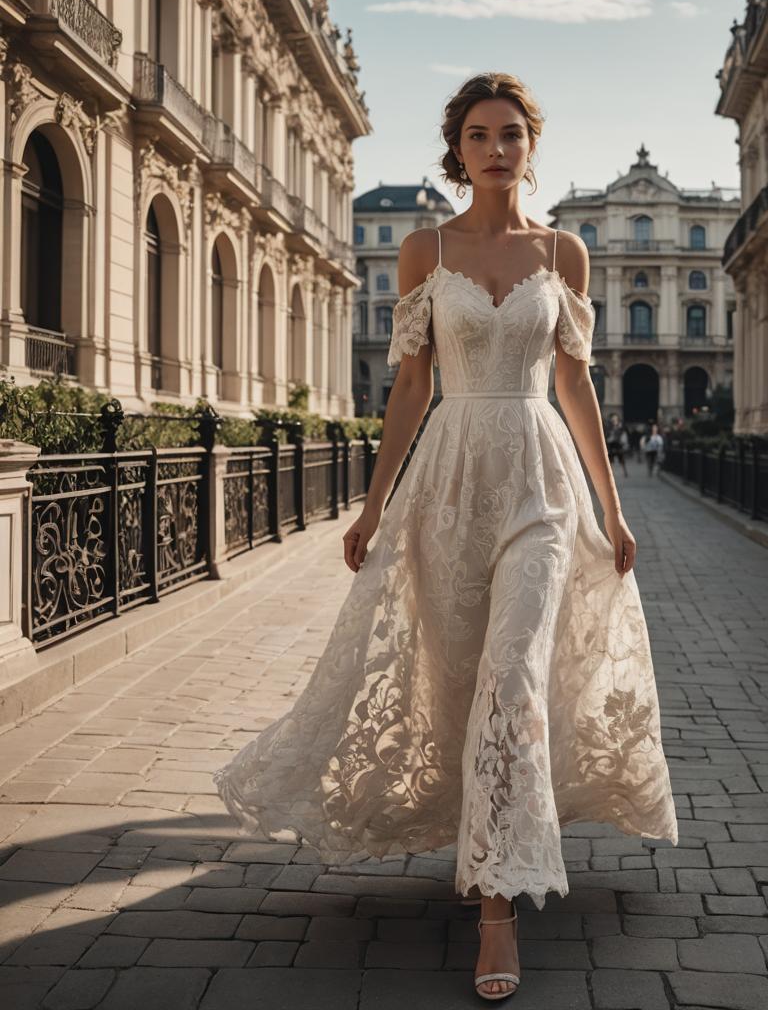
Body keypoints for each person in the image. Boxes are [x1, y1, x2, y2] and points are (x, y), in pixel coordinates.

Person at [213, 71, 678, 1002]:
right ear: (456, 148)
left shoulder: (566, 252)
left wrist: (612, 507)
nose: (496, 147)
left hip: (540, 480)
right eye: (479, 133)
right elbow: (412, 389)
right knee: (459, 673)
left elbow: (577, 385)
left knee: (512, 675)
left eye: (511, 133)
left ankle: (498, 906)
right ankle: (481, 838)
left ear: (530, 146)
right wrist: (376, 503)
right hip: (450, 479)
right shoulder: (423, 251)